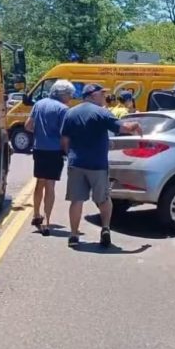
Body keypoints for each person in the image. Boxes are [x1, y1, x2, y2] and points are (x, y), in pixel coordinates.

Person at [60, 84, 142, 248]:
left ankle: (74, 235)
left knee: (76, 200)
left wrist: (70, 155)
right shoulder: (102, 112)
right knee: (104, 199)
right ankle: (105, 229)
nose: (104, 97)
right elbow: (123, 127)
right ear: (92, 95)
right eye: (101, 94)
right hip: (97, 164)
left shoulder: (71, 113)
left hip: (76, 163)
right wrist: (135, 126)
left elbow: (64, 140)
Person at [24, 80, 73, 235]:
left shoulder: (39, 104)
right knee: (50, 185)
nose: (70, 98)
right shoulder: (64, 109)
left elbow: (28, 126)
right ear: (63, 94)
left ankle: (36, 214)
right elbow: (65, 134)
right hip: (54, 150)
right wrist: (67, 151)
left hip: (39, 148)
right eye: (69, 95)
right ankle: (47, 221)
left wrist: (40, 134)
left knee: (40, 182)